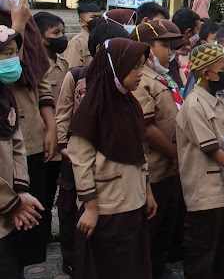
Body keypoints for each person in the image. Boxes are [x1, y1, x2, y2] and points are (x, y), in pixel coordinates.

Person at [68, 38, 158, 279]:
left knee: (133, 264)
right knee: (108, 266)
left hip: (133, 200)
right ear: (114, 67)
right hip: (106, 207)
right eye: (134, 67)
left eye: (141, 66)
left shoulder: (130, 104)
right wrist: (90, 207)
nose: (140, 73)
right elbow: (80, 162)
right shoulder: (91, 110)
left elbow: (139, 151)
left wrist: (147, 191)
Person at [55, 20, 129, 276]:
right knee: (69, 208)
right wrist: (63, 146)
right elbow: (63, 113)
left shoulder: (121, 80)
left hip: (103, 158)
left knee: (98, 206)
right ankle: (71, 257)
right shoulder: (77, 76)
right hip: (74, 154)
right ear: (99, 49)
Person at [0, 0, 56, 267]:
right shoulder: (16, 27)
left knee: (33, 213)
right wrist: (15, 28)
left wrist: (50, 126)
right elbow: (6, 67)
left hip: (30, 136)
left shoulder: (30, 28)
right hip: (4, 138)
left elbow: (40, 79)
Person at [176, 44, 224, 279]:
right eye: (222, 69)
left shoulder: (218, 99)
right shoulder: (194, 104)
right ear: (207, 73)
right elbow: (210, 148)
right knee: (202, 250)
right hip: (204, 190)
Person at [129, 20, 186, 279]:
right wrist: (176, 153)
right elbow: (146, 128)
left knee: (166, 223)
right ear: (146, 48)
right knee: (152, 226)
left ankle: (160, 266)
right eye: (164, 45)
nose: (170, 51)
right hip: (155, 167)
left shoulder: (163, 75)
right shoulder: (141, 80)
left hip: (171, 166)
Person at [0, 25, 46, 278]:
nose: (13, 60)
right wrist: (11, 203)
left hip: (7, 211)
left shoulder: (5, 96)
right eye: (5, 53)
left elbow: (17, 143)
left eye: (15, 52)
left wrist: (21, 189)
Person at [33, 12, 69, 245]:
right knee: (41, 191)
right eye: (55, 33)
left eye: (63, 32)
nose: (62, 37)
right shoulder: (35, 65)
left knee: (55, 189)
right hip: (42, 138)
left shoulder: (63, 64)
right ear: (41, 38)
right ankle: (39, 235)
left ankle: (48, 233)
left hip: (61, 139)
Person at [63, 3, 104, 69]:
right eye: (93, 17)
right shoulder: (76, 43)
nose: (98, 20)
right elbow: (73, 71)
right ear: (82, 22)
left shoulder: (103, 39)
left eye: (100, 17)